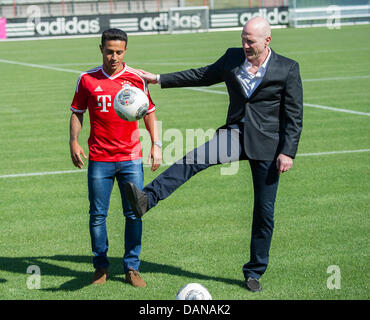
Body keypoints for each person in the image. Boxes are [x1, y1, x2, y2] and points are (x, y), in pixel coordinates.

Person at [124, 17, 303, 292]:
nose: (244, 44)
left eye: (250, 40)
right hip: (234, 134)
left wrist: (287, 152)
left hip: (268, 145)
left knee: (264, 212)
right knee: (193, 159)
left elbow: (293, 116)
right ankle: (148, 198)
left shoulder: (287, 68)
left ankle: (254, 271)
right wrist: (159, 79)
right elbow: (203, 75)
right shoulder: (233, 57)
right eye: (243, 38)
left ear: (267, 40)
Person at [69, 28, 162, 287]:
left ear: (125, 51)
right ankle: (100, 267)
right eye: (109, 51)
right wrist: (73, 141)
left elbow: (149, 112)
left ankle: (132, 268)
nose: (114, 56)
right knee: (98, 215)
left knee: (134, 213)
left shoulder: (136, 78)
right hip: (99, 158)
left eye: (119, 52)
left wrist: (156, 144)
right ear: (101, 49)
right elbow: (77, 112)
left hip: (131, 158)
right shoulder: (87, 79)